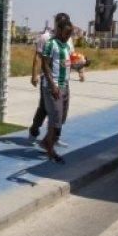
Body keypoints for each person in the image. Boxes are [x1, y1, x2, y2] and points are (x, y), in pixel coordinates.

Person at [29, 13, 84, 145]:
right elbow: (39, 57)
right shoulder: (46, 38)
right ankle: (36, 131)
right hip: (48, 80)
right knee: (46, 109)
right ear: (56, 24)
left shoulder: (68, 39)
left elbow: (72, 57)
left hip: (63, 80)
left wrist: (80, 70)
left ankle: (52, 137)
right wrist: (35, 75)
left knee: (58, 112)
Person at [40, 19, 75, 163]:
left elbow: (67, 64)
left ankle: (46, 142)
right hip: (53, 87)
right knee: (55, 119)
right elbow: (45, 65)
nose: (68, 36)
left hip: (65, 86)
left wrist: (83, 64)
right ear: (59, 30)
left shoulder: (66, 46)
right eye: (67, 33)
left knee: (61, 119)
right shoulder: (51, 44)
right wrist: (53, 85)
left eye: (70, 33)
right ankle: (50, 151)